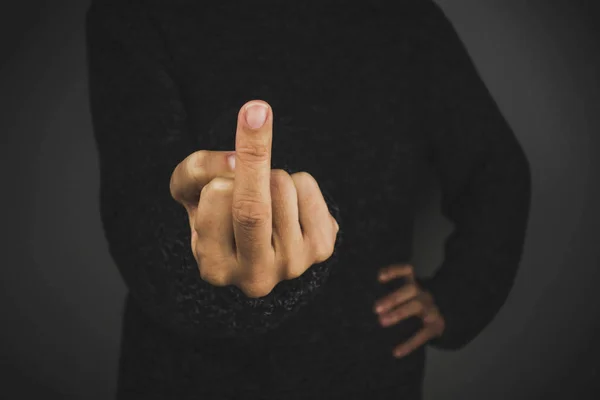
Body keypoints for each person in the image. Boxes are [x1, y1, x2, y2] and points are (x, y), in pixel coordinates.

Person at [85, 0, 532, 399]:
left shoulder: (404, 20)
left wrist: (460, 297)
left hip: (364, 371)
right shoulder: (137, 14)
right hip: (185, 377)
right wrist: (230, 278)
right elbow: (138, 223)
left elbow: (496, 171)